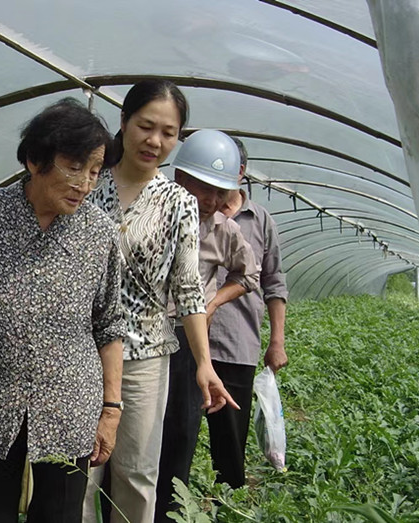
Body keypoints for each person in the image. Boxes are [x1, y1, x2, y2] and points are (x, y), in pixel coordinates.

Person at [0, 98, 125, 523]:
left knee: (59, 515)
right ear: (36, 160)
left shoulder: (100, 234)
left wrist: (111, 411)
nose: (85, 184)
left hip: (69, 410)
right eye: (75, 167)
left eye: (95, 171)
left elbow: (109, 326)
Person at [81, 80, 239, 523]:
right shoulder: (88, 185)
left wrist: (204, 363)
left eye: (168, 132)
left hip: (146, 358)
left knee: (135, 473)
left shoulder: (179, 203)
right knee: (79, 473)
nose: (155, 141)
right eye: (146, 126)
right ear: (124, 122)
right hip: (80, 353)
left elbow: (188, 289)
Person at [155, 129, 260, 521]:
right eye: (205, 188)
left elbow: (249, 275)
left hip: (186, 337)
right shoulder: (154, 212)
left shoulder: (224, 229)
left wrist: (211, 301)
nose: (213, 200)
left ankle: (168, 510)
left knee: (180, 430)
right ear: (180, 178)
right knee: (140, 429)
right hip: (143, 332)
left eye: (221, 192)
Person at [204, 137, 288, 488]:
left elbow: (274, 282)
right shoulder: (195, 210)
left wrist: (277, 341)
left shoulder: (260, 220)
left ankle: (228, 502)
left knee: (230, 443)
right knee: (174, 431)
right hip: (186, 343)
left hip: (237, 344)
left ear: (240, 172)